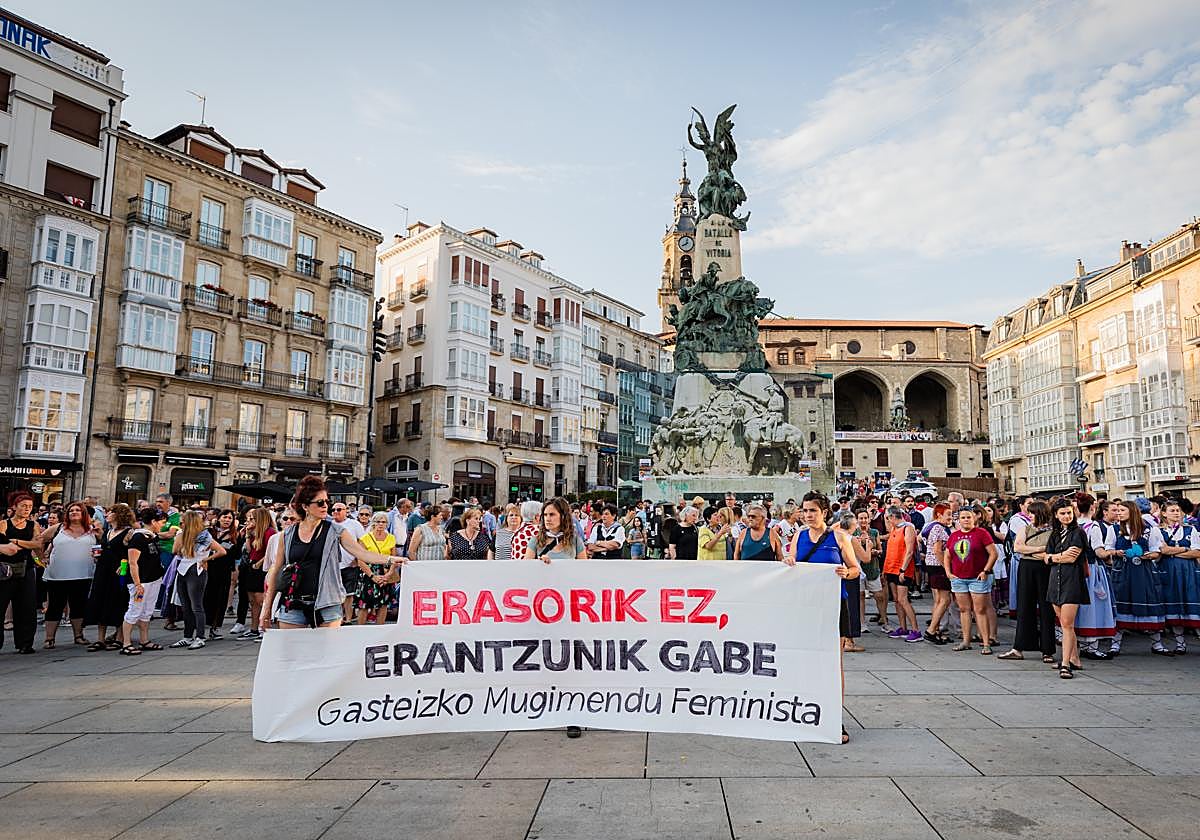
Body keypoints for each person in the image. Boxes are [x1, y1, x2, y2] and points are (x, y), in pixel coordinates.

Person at [261, 476, 400, 630]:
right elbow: (276, 570)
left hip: (327, 602)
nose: (325, 506)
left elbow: (362, 553)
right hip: (293, 602)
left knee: (327, 652)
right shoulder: (287, 535)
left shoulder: (336, 531)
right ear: (305, 506)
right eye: (320, 503)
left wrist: (391, 559)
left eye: (327, 502)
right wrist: (266, 609)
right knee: (291, 652)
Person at [787, 492, 862, 744]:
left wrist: (846, 572)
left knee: (833, 663)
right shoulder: (798, 536)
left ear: (824, 513)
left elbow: (855, 570)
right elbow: (791, 566)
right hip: (806, 606)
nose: (808, 515)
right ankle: (805, 711)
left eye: (813, 511)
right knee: (805, 660)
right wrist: (787, 562)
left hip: (833, 605)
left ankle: (833, 716)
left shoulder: (839, 537)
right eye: (805, 510)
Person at [1107, 500, 1168, 657]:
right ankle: (1115, 643)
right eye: (1117, 510)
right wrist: (1117, 553)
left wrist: (1148, 555)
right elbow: (1108, 549)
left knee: (1150, 601)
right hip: (1123, 571)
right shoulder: (1113, 529)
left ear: (1132, 511)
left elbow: (1157, 551)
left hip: (1144, 571)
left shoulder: (1149, 530)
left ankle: (1157, 643)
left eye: (1122, 510)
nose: (1118, 513)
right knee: (1120, 603)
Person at [999, 500, 1056, 663]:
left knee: (1047, 609)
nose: (1029, 515)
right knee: (1024, 606)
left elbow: (1050, 550)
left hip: (1045, 569)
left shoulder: (1053, 530)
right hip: (1027, 567)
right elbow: (1018, 547)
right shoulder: (1025, 528)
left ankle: (1047, 650)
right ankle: (1019, 647)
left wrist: (1031, 550)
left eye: (1032, 513)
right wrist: (1039, 549)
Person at [37, 500, 97, 648]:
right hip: (58, 575)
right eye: (71, 510)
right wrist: (40, 558)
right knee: (55, 606)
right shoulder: (58, 528)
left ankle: (78, 635)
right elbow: (38, 539)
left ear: (83, 513)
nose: (74, 512)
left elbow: (103, 546)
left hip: (83, 574)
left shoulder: (91, 529)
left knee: (79, 606)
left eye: (77, 510)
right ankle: (49, 638)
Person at [1044, 499, 1089, 678]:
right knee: (1062, 622)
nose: (1066, 516)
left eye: (1069, 512)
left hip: (1072, 582)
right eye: (1062, 513)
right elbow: (1045, 557)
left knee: (1067, 625)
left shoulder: (1078, 533)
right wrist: (1056, 557)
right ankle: (1074, 659)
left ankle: (1065, 663)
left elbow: (1072, 557)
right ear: (1056, 515)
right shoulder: (1054, 534)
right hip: (1055, 581)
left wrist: (1053, 557)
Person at [170, 510, 225, 650]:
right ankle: (188, 636)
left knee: (196, 605)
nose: (180, 524)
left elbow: (222, 551)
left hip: (196, 570)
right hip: (183, 569)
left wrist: (206, 559)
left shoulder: (203, 536)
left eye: (182, 522)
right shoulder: (184, 535)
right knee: (186, 606)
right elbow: (175, 550)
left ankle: (200, 637)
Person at [946, 506, 998, 653]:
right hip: (959, 578)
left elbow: (993, 553)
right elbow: (947, 555)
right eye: (963, 517)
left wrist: (985, 571)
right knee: (964, 609)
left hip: (977, 577)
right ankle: (966, 640)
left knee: (979, 610)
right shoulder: (954, 536)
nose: (966, 520)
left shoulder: (981, 533)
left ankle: (986, 642)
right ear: (958, 520)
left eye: (968, 517)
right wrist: (948, 572)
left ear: (974, 518)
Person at [82, 505, 132, 651]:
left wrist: (125, 566)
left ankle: (120, 637)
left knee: (119, 600)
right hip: (103, 568)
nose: (107, 514)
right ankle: (100, 639)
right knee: (100, 599)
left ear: (119, 515)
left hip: (119, 571)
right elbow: (105, 548)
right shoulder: (108, 531)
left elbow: (132, 552)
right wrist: (97, 554)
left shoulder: (129, 532)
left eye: (111, 512)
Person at [1154, 499, 1200, 654]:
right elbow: (1163, 551)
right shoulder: (1158, 531)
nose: (1176, 514)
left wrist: (1176, 551)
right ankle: (1180, 643)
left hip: (1188, 572)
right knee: (1174, 605)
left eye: (1178, 511)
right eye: (1172, 511)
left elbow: (1197, 552)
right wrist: (1185, 550)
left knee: (1192, 603)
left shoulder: (1190, 530)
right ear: (1164, 514)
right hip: (1168, 573)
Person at [118, 506, 166, 655]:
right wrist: (138, 583)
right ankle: (126, 643)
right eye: (161, 522)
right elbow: (133, 562)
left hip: (153, 578)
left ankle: (144, 640)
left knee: (147, 611)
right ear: (153, 521)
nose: (163, 525)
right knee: (134, 610)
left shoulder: (151, 536)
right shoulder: (138, 537)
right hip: (141, 581)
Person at [1075, 494, 1116, 659]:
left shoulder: (1074, 525)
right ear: (1093, 507)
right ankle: (1091, 646)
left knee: (1079, 606)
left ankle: (1080, 642)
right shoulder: (1093, 527)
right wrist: (1111, 554)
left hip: (1075, 569)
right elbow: (1098, 551)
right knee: (1094, 605)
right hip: (1091, 569)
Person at [0, 491, 42, 654]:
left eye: (30, 507)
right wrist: (27, 543)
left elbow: (37, 545)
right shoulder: (4, 523)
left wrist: (16, 541)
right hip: (5, 569)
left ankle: (25, 643)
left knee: (26, 606)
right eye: (23, 506)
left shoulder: (34, 525)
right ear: (14, 507)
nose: (27, 509)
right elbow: (3, 543)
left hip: (26, 568)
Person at [882, 506, 921, 642]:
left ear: (893, 517)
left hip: (902, 569)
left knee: (903, 599)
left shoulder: (907, 528)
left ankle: (916, 629)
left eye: (888, 518)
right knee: (897, 600)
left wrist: (903, 569)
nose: (886, 520)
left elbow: (910, 551)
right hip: (891, 568)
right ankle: (903, 627)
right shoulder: (894, 529)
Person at [355, 512, 400, 625]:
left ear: (387, 524)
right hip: (368, 572)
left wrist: (389, 574)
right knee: (364, 604)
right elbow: (360, 560)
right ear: (373, 523)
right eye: (378, 521)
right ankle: (359, 631)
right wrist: (372, 576)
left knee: (384, 603)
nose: (380, 524)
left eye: (383, 522)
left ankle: (380, 631)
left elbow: (394, 558)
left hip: (386, 572)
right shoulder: (365, 538)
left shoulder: (391, 538)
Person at [238, 507, 274, 640]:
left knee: (261, 600)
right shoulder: (255, 532)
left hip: (262, 567)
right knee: (252, 600)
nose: (249, 521)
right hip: (252, 566)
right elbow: (248, 550)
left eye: (252, 519)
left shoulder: (269, 532)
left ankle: (263, 628)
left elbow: (271, 552)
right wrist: (248, 534)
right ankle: (254, 628)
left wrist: (260, 563)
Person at [205, 510, 241, 639]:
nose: (227, 520)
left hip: (225, 569)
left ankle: (215, 627)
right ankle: (204, 625)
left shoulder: (235, 535)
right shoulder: (210, 532)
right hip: (208, 567)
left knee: (221, 598)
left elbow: (237, 555)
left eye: (230, 518)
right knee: (207, 596)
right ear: (219, 518)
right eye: (225, 517)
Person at [922, 504, 954, 644]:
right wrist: (946, 568)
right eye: (948, 514)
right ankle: (931, 630)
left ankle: (935, 629)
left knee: (940, 600)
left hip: (933, 565)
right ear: (939, 515)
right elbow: (938, 550)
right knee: (944, 600)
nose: (950, 517)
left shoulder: (933, 527)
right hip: (938, 566)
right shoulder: (938, 528)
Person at [853, 508, 886, 633]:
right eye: (861, 518)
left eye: (865, 518)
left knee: (879, 595)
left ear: (869, 519)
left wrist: (876, 552)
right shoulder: (854, 533)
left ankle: (884, 620)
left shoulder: (874, 532)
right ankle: (862, 623)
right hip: (859, 568)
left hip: (873, 567)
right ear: (857, 519)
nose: (863, 520)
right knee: (860, 596)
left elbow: (880, 549)